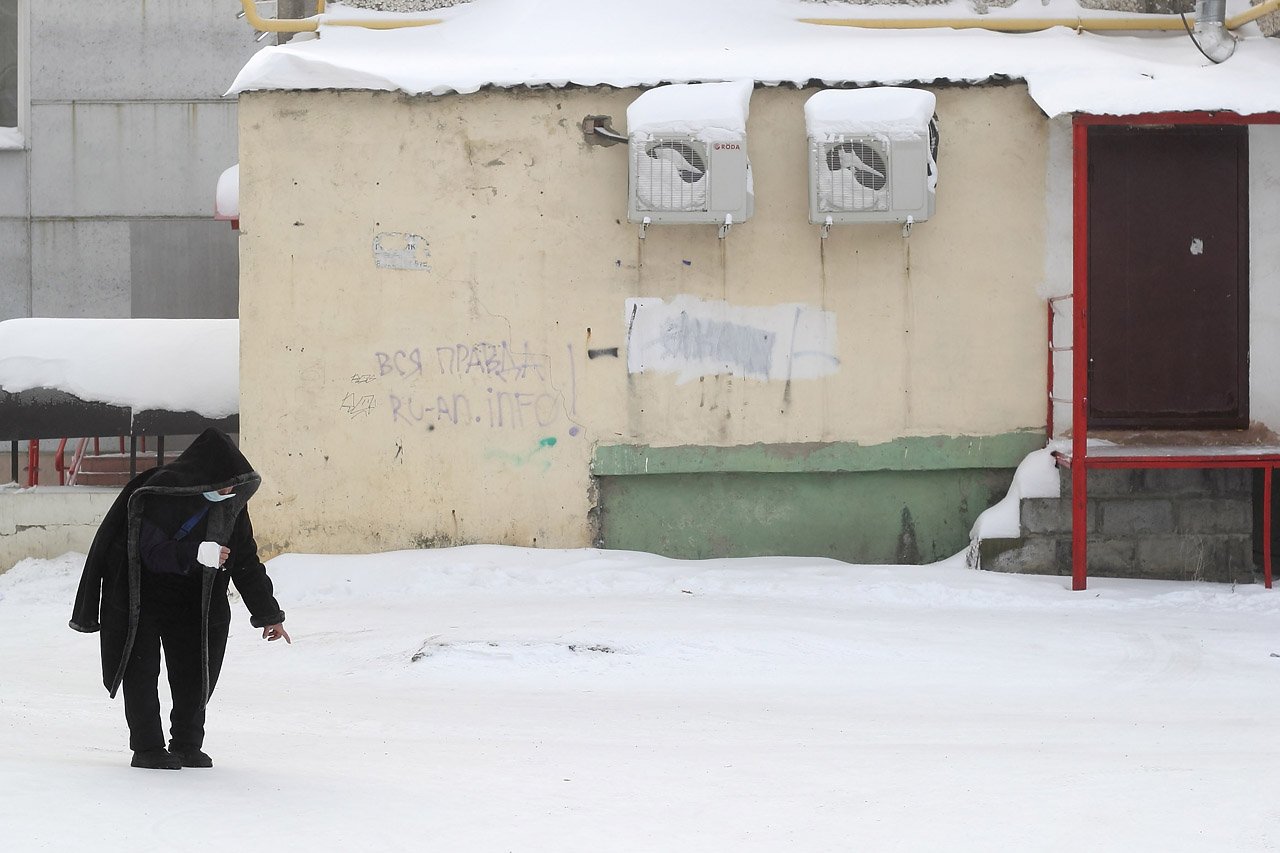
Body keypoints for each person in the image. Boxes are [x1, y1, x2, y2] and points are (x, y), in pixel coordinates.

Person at [70, 428, 290, 770]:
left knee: (193, 671)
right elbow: (150, 551)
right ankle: (147, 748)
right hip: (141, 595)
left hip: (193, 601)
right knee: (141, 671)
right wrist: (197, 552)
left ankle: (187, 744)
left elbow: (245, 562)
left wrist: (268, 614)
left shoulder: (231, 507)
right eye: (223, 483)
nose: (229, 490)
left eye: (234, 483)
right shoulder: (161, 493)